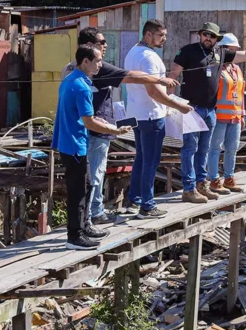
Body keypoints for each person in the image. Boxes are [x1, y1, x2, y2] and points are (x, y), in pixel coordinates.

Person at [61, 27, 179, 226]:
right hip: (97, 129)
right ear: (89, 47)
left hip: (80, 132)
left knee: (88, 177)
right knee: (95, 176)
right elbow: (132, 76)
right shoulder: (95, 68)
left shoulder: (70, 68)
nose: (105, 46)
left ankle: (93, 214)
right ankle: (91, 217)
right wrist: (161, 79)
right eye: (101, 42)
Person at [168, 22, 246, 204]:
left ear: (217, 39)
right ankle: (188, 189)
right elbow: (173, 75)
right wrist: (170, 101)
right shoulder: (188, 50)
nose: (209, 38)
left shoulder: (220, 53)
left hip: (210, 110)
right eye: (206, 34)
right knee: (190, 149)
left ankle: (201, 185)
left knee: (204, 150)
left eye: (213, 36)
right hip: (190, 108)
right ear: (200, 34)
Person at [52, 44, 132, 250]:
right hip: (74, 144)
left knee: (86, 185)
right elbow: (88, 122)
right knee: (78, 190)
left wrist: (107, 126)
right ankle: (74, 236)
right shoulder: (81, 86)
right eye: (97, 61)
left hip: (68, 142)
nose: (100, 65)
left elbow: (86, 117)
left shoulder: (70, 80)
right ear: (85, 61)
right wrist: (115, 131)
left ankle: (83, 226)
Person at [124, 20, 192, 219]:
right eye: (161, 35)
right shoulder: (149, 57)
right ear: (148, 34)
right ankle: (147, 205)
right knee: (150, 162)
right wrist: (178, 105)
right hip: (151, 114)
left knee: (141, 158)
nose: (164, 39)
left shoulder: (132, 52)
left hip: (136, 113)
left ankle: (134, 200)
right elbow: (153, 90)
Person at [205, 33, 246, 195]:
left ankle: (229, 178)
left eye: (236, 50)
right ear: (223, 50)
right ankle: (214, 179)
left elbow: (241, 93)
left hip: (235, 116)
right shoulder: (215, 68)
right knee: (215, 148)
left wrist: (242, 115)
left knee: (232, 148)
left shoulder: (236, 69)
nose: (235, 53)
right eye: (232, 50)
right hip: (219, 116)